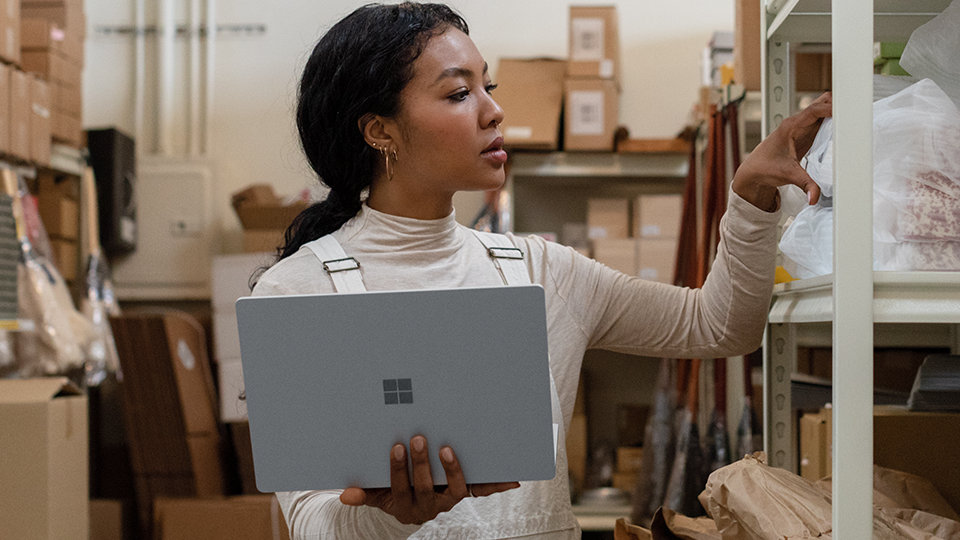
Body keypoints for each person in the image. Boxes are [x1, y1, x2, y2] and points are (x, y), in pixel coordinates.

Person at [252, 2, 832, 538]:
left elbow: (719, 325)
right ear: (379, 130)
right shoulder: (298, 292)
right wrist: (390, 516)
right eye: (459, 93)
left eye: (488, 87)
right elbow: (312, 524)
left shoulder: (541, 270)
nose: (494, 111)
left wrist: (751, 193)